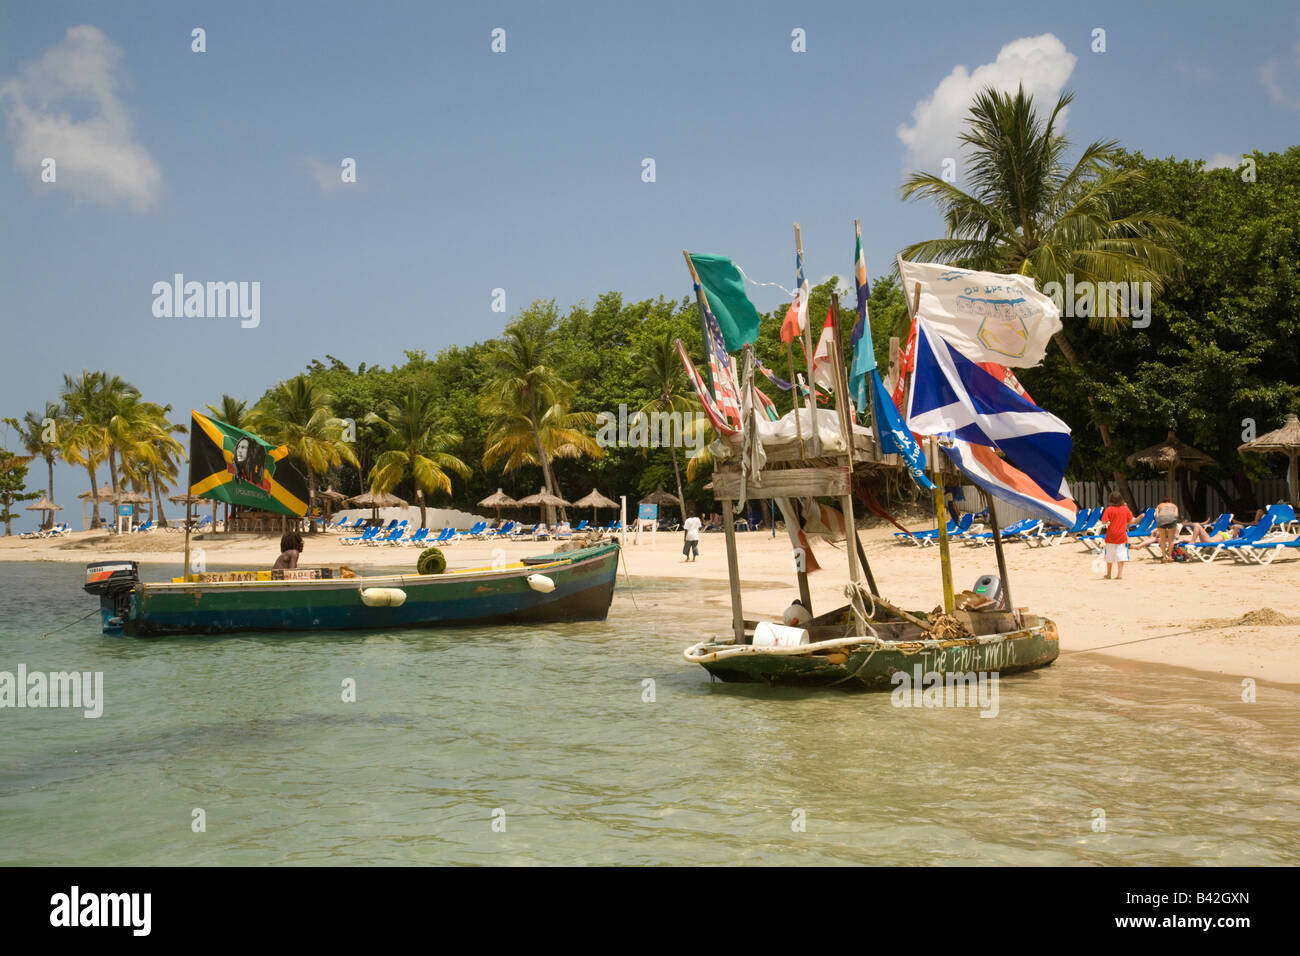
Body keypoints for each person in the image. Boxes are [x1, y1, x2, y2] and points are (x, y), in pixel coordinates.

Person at [1099, 491, 1134, 580]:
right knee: (1121, 554)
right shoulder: (1125, 509)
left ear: (1111, 500)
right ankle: (1120, 574)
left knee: (1109, 555)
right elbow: (1130, 521)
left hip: (1111, 535)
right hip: (1122, 534)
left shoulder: (1109, 509)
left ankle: (1108, 574)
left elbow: (1104, 521)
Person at [1154, 496, 1180, 563]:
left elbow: (1156, 515)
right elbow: (1176, 515)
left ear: (1163, 501)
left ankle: (1164, 557)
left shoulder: (1159, 505)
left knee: (1162, 540)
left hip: (1161, 519)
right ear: (1170, 501)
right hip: (1171, 519)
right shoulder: (1174, 505)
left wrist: (1160, 521)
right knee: (1171, 540)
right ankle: (1170, 557)